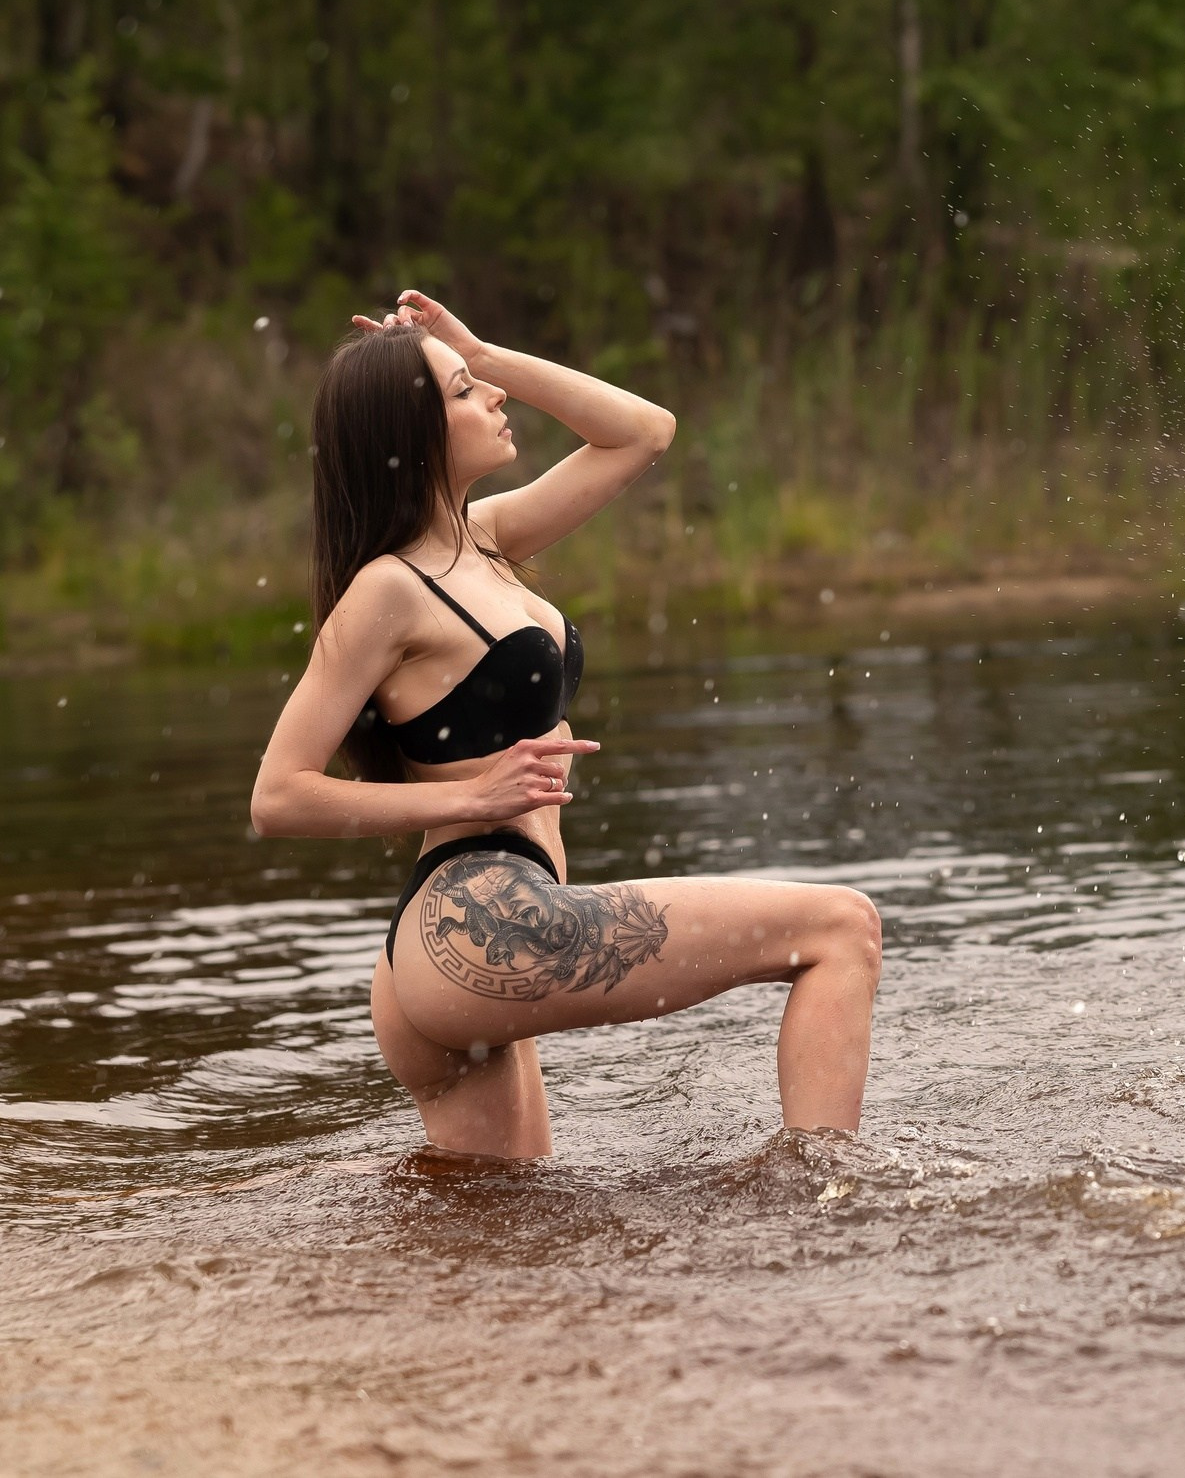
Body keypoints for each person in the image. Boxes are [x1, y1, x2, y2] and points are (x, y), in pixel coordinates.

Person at [250, 292, 879, 1158]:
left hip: (462, 950)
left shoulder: (489, 538)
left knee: (508, 1254)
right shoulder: (389, 589)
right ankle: (832, 1209)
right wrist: (477, 792)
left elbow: (643, 431)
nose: (495, 400)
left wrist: (479, 351)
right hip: (480, 918)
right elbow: (277, 796)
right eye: (468, 392)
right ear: (416, 430)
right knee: (840, 927)